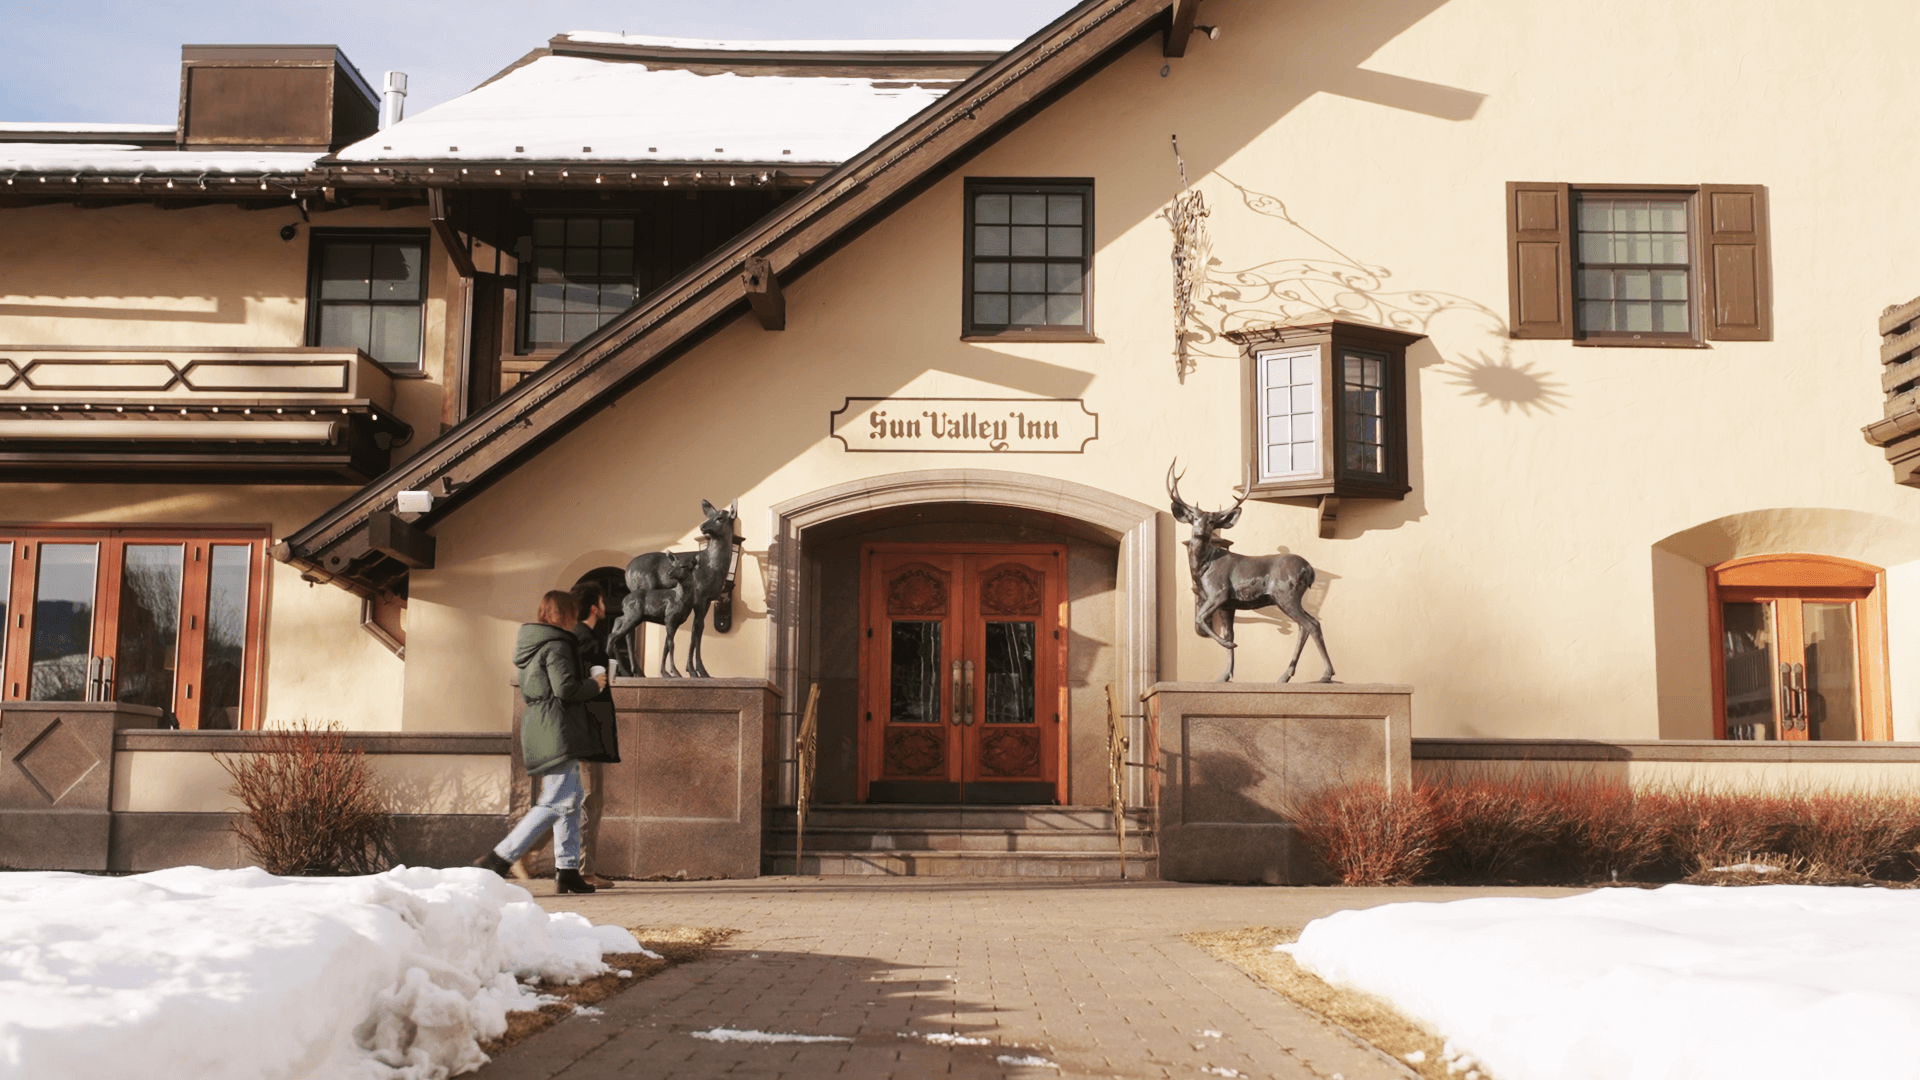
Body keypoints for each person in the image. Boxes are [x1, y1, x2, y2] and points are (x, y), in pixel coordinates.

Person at [476, 590, 606, 894]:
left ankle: (567, 870)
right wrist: (594, 684)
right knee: (556, 800)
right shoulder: (558, 644)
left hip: (541, 723)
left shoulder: (533, 643)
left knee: (569, 800)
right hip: (556, 726)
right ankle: (499, 858)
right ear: (566, 614)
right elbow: (565, 689)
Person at [569, 580, 622, 887]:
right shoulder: (585, 640)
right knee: (591, 798)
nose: (605, 605)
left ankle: (581, 867)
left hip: (584, 729)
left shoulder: (577, 637)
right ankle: (584, 870)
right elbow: (595, 682)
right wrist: (601, 678)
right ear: (594, 607)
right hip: (589, 731)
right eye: (602, 601)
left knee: (579, 799)